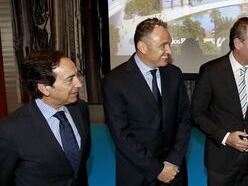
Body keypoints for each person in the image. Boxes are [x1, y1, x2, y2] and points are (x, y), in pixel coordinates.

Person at [103, 18, 191, 186]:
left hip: (174, 171)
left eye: (169, 44)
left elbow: (184, 119)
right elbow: (121, 134)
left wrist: (173, 160)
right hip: (138, 173)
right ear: (142, 47)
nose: (169, 50)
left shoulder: (174, 74)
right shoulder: (115, 80)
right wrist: (156, 169)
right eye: (163, 45)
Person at [191, 17, 248, 186]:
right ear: (238, 43)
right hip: (221, 159)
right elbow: (196, 114)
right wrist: (226, 137)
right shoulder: (211, 71)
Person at [0, 50, 91, 185]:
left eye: (76, 75)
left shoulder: (80, 108)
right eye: (70, 79)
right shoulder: (10, 130)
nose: (78, 83)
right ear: (44, 88)